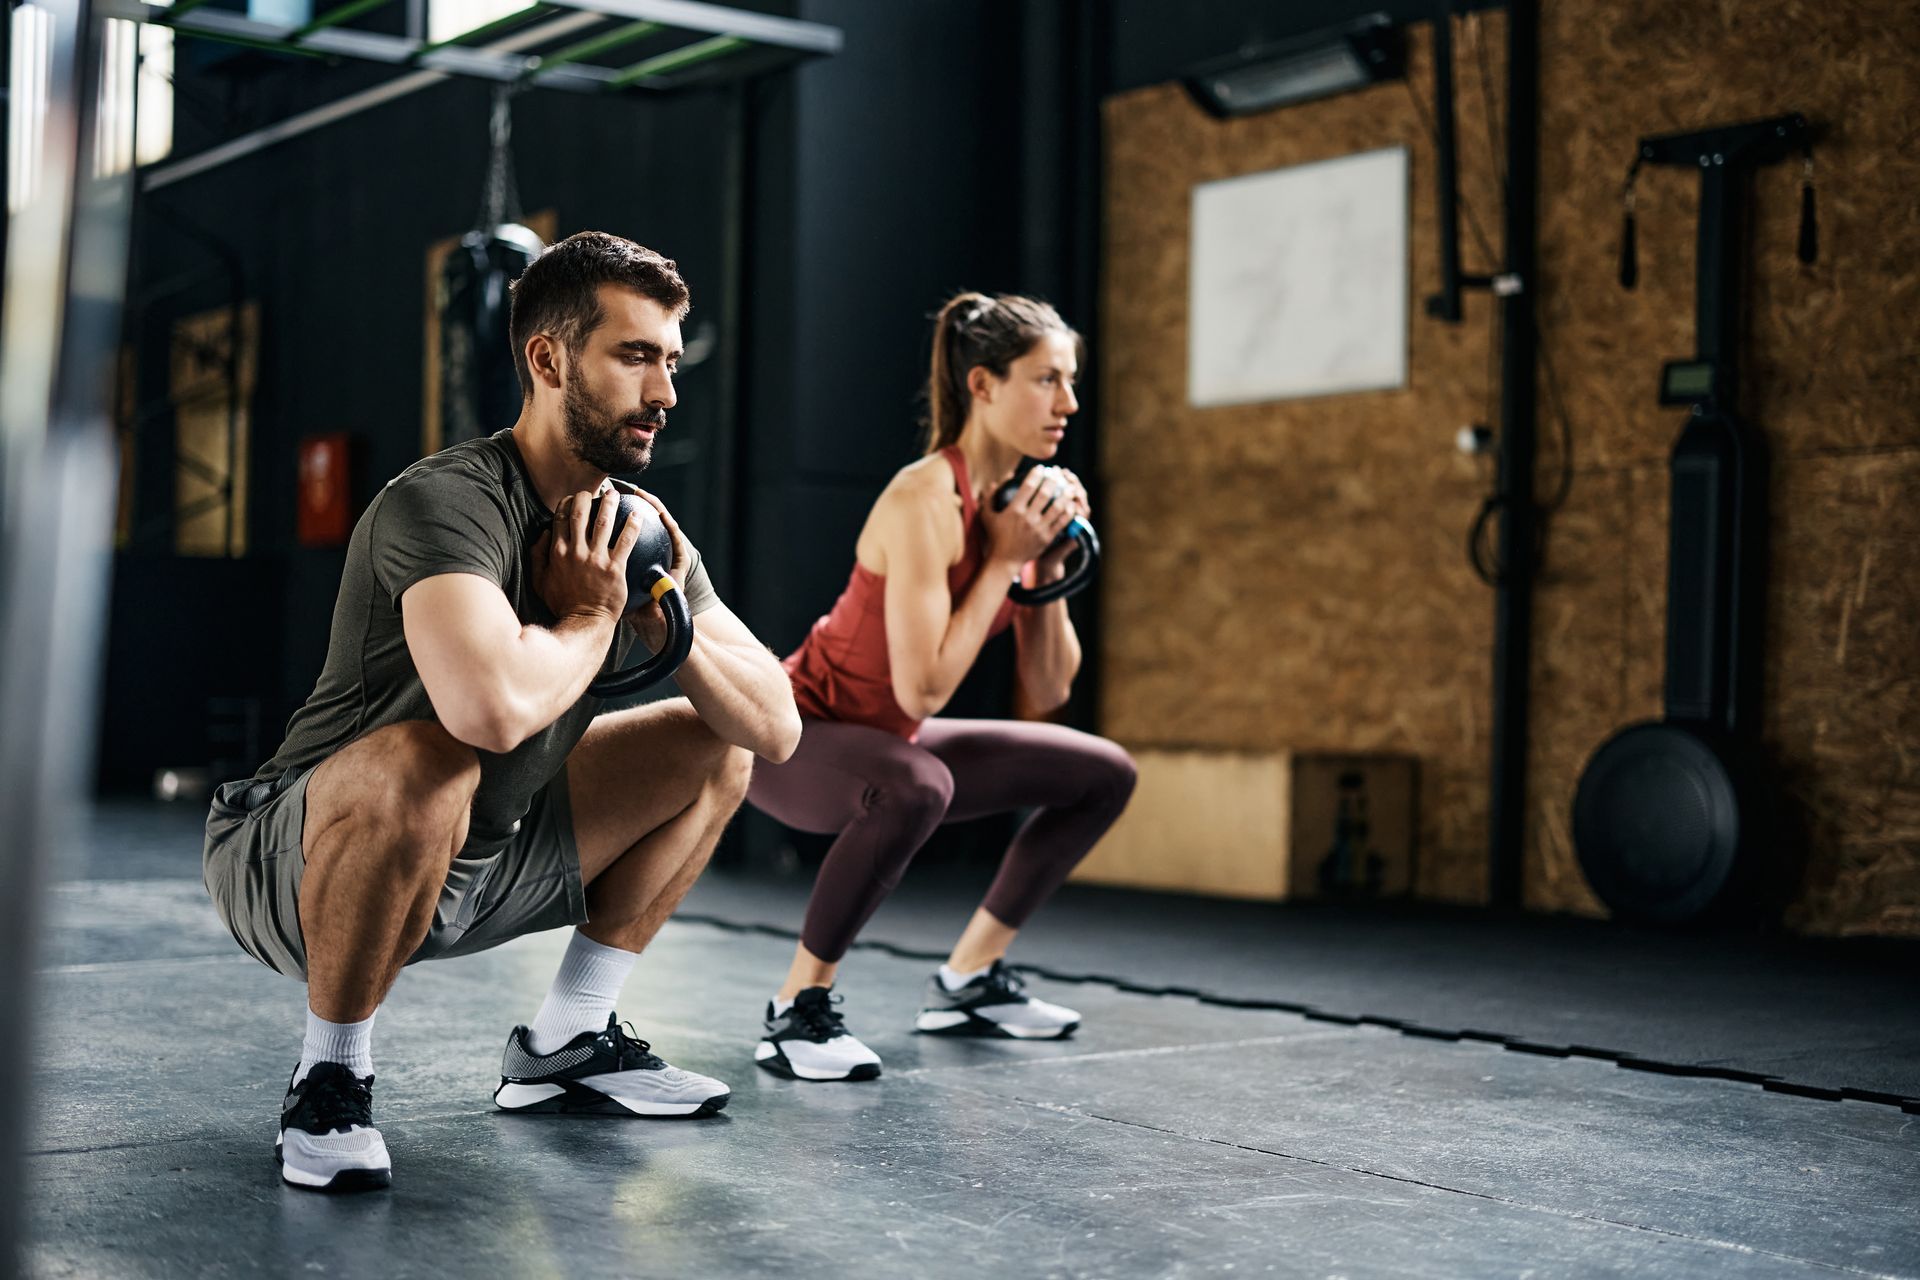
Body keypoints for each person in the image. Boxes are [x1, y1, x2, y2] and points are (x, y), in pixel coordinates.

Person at [202, 231, 800, 1192]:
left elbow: (778, 727)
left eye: (672, 362)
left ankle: (570, 1040)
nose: (666, 394)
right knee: (428, 761)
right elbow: (488, 713)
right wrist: (598, 612)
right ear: (549, 359)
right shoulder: (445, 503)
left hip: (484, 858)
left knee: (716, 744)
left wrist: (662, 618)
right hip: (297, 858)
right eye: (636, 356)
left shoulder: (636, 527)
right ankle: (331, 1076)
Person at [745, 291, 1137, 1082]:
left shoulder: (1018, 508)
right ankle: (795, 1013)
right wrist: (1000, 562)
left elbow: (1049, 686)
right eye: (1046, 379)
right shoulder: (924, 495)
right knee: (918, 784)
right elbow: (922, 689)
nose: (1069, 402)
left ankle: (968, 983)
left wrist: (1045, 570)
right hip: (791, 737)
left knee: (1101, 773)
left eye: (1070, 381)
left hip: (888, 744)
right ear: (984, 385)